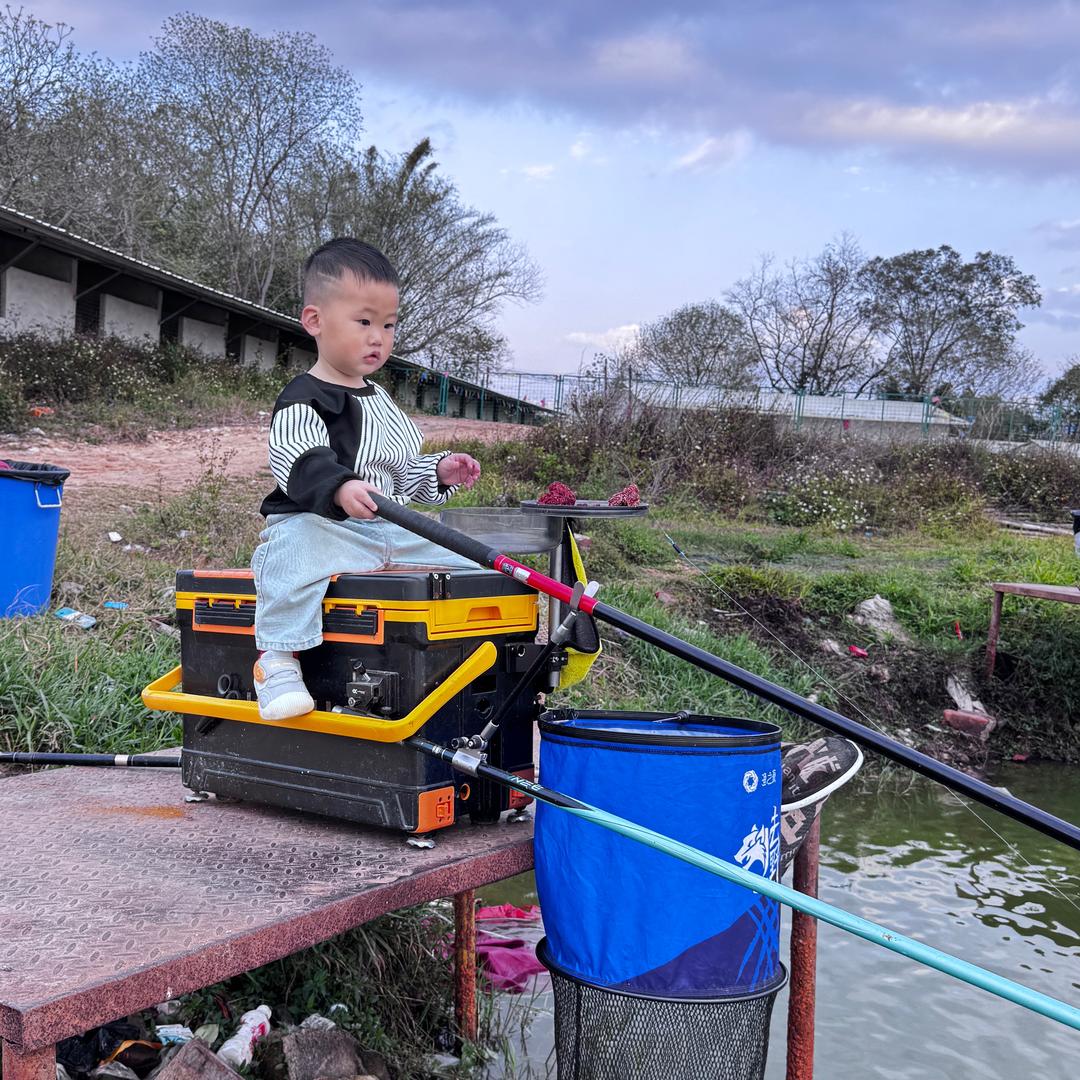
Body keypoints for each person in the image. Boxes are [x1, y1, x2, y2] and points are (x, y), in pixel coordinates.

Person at [251, 238, 481, 720]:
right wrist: (339, 486)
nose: (379, 337)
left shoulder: (383, 402)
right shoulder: (303, 397)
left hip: (387, 530)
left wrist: (438, 471)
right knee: (292, 552)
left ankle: (479, 648)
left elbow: (403, 471)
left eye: (389, 325)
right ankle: (277, 661)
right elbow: (298, 459)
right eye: (364, 322)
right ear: (315, 321)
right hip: (324, 526)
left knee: (464, 551)